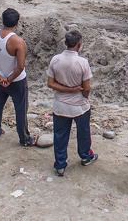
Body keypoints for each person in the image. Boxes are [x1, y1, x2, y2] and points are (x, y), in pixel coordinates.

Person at [46, 30, 96, 177]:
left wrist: (67, 89)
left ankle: (60, 164)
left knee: (60, 135)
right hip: (79, 105)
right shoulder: (82, 62)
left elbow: (50, 83)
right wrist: (78, 92)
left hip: (60, 104)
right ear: (79, 44)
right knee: (83, 132)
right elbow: (86, 87)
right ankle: (85, 155)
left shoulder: (55, 59)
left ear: (65, 43)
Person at [0, 8, 36, 146]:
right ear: (17, 23)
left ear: (3, 21)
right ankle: (25, 138)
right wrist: (9, 79)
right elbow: (20, 66)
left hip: (0, 78)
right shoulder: (18, 41)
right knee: (20, 109)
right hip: (16, 80)